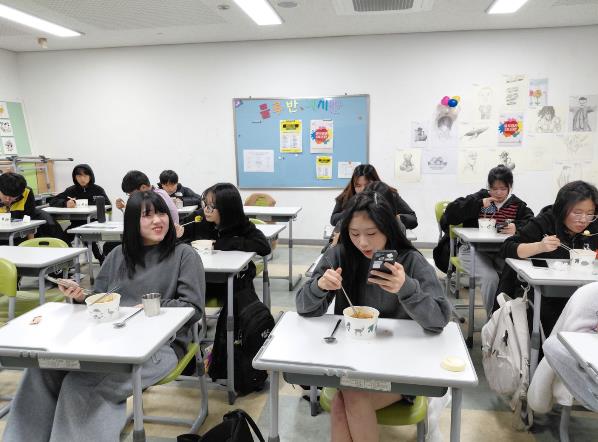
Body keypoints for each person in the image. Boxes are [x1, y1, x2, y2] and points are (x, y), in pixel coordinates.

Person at [2, 191, 205, 442]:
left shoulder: (184, 254)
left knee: (80, 386)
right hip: (107, 341)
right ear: (132, 221)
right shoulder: (118, 254)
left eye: (161, 213)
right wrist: (81, 296)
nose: (157, 220)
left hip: (160, 347)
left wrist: (147, 305)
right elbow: (99, 297)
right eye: (147, 215)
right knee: (41, 371)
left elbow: (193, 307)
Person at [296, 190, 450, 442]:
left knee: (349, 396)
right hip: (352, 362)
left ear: (388, 229)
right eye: (354, 233)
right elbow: (304, 307)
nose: (363, 243)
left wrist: (406, 288)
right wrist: (319, 286)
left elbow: (439, 320)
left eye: (371, 233)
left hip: (399, 366)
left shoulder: (410, 261)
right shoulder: (340, 255)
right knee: (343, 400)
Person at [498, 180, 598, 336]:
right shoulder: (546, 222)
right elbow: (507, 248)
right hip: (542, 292)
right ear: (563, 209)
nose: (584, 219)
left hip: (581, 291)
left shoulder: (594, 227)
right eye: (577, 212)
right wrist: (539, 246)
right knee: (551, 319)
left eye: (590, 213)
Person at [440, 165, 534, 316]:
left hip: (501, 252)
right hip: (473, 250)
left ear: (510, 187)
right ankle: (493, 318)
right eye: (494, 188)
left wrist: (517, 227)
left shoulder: (517, 205)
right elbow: (450, 213)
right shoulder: (480, 198)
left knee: (515, 277)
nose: (498, 193)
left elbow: (532, 224)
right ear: (488, 186)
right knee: (490, 278)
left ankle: (508, 318)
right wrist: (478, 204)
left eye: (503, 188)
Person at [182, 182, 271, 303]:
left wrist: (221, 244)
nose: (206, 210)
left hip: (234, 279)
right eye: (205, 204)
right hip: (202, 278)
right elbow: (178, 238)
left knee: (237, 291)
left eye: (211, 206)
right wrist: (180, 236)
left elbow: (264, 246)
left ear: (226, 208)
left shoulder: (240, 224)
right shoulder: (199, 218)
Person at [49, 164, 112, 261]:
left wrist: (91, 204)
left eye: (85, 175)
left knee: (87, 235)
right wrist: (66, 203)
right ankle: (70, 260)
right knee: (62, 239)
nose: (82, 179)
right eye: (79, 176)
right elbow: (53, 201)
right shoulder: (71, 190)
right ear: (75, 177)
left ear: (90, 176)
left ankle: (101, 258)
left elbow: (108, 205)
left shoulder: (97, 189)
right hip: (75, 223)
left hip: (93, 222)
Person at [330, 164, 417, 229]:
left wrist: (395, 218)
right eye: (358, 186)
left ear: (376, 182)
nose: (363, 190)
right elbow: (334, 219)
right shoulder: (346, 196)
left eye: (368, 184)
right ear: (353, 186)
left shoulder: (390, 194)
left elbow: (413, 219)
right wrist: (352, 212)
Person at [0, 172, 66, 244]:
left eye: (12, 197)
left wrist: (30, 244)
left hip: (20, 226)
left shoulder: (27, 192)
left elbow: (30, 221)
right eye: (5, 195)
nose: (7, 199)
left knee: (48, 222)